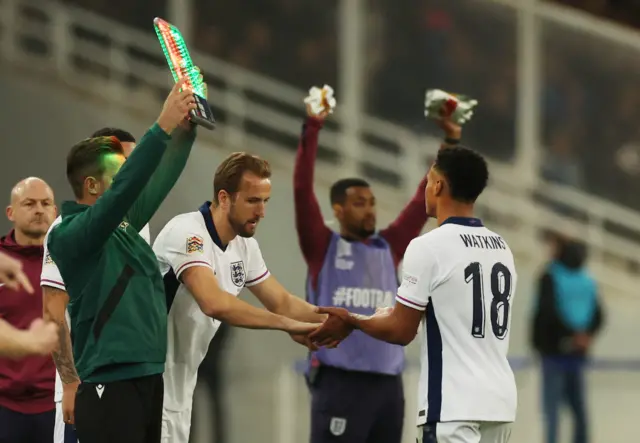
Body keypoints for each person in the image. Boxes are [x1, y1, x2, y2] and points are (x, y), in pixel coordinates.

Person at [312, 145, 517, 443]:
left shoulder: (428, 247)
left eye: (429, 180)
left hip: (452, 407)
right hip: (499, 405)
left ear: (438, 185)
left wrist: (353, 320)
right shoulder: (501, 247)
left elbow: (400, 330)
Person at [153, 152, 352, 443]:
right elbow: (215, 303)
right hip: (148, 381)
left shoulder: (245, 248)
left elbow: (283, 301)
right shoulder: (188, 233)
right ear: (224, 198)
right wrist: (287, 325)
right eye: (252, 201)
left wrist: (349, 322)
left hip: (180, 386)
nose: (262, 212)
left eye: (265, 201)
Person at [294, 89, 459, 443]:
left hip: (388, 385)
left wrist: (450, 140)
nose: (369, 209)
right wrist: (313, 125)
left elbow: (422, 196)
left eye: (371, 202)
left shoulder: (391, 245)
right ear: (337, 210)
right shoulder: (322, 246)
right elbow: (302, 189)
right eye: (358, 203)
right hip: (340, 381)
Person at [46, 78, 198, 443]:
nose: (130, 177)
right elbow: (130, 187)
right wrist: (162, 125)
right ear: (92, 185)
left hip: (147, 375)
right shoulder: (69, 235)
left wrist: (186, 129)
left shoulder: (125, 224)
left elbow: (159, 177)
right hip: (108, 381)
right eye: (119, 169)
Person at [42, 127, 152, 443]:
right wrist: (72, 384)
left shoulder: (138, 226)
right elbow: (53, 314)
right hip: (86, 385)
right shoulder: (67, 230)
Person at [0, 177, 58, 443]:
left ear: (55, 212)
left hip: (58, 402)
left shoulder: (71, 261)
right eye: (29, 203)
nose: (39, 210)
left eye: (46, 203)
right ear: (10, 212)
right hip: (5, 404)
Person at [531, 234, 604, 443]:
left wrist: (568, 336)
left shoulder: (551, 276)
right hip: (577, 351)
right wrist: (584, 336)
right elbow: (598, 314)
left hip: (554, 352)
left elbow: (548, 314)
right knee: (578, 407)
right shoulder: (587, 279)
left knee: (552, 409)